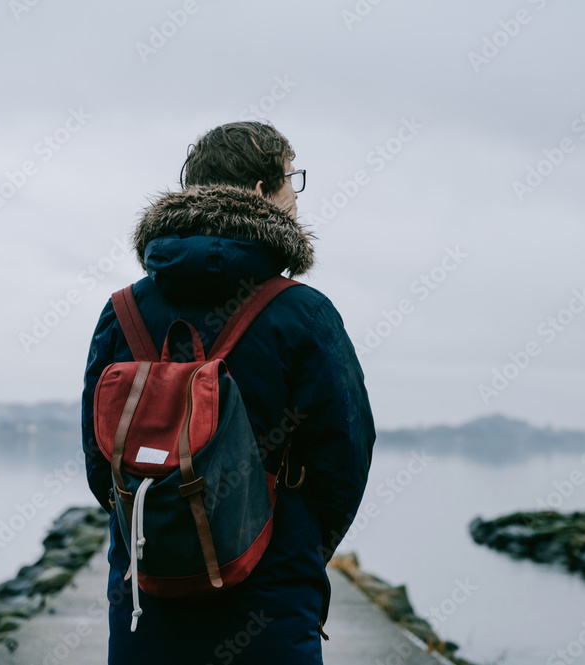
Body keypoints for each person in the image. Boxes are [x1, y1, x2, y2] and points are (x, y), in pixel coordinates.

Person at [80, 120, 376, 664]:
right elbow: (346, 455)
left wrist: (157, 523)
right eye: (293, 179)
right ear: (263, 191)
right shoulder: (303, 313)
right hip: (270, 587)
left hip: (145, 586)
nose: (296, 195)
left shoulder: (122, 310)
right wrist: (298, 544)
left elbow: (101, 457)